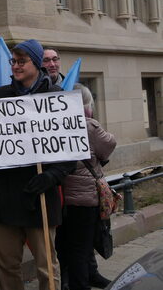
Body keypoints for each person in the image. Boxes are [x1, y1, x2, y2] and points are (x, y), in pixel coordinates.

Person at [0, 39, 75, 290]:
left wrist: (52, 176)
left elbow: (70, 147)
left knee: (46, 266)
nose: (15, 66)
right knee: (6, 262)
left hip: (40, 195)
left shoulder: (55, 96)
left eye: (21, 61)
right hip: (8, 195)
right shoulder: (2, 94)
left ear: (36, 64)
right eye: (13, 61)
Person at [56, 85, 116, 290]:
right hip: (85, 197)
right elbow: (109, 145)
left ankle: (77, 280)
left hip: (62, 197)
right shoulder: (90, 126)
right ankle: (80, 285)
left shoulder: (55, 125)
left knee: (69, 244)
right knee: (81, 248)